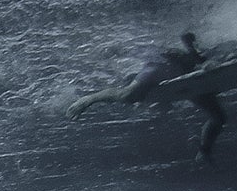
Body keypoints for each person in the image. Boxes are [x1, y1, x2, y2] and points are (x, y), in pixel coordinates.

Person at [68, 31, 228, 161]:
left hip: (168, 64)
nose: (159, 111)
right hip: (180, 73)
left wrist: (88, 100)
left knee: (127, 96)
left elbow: (123, 94)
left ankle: (87, 99)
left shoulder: (152, 74)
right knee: (218, 117)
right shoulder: (160, 89)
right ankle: (205, 152)